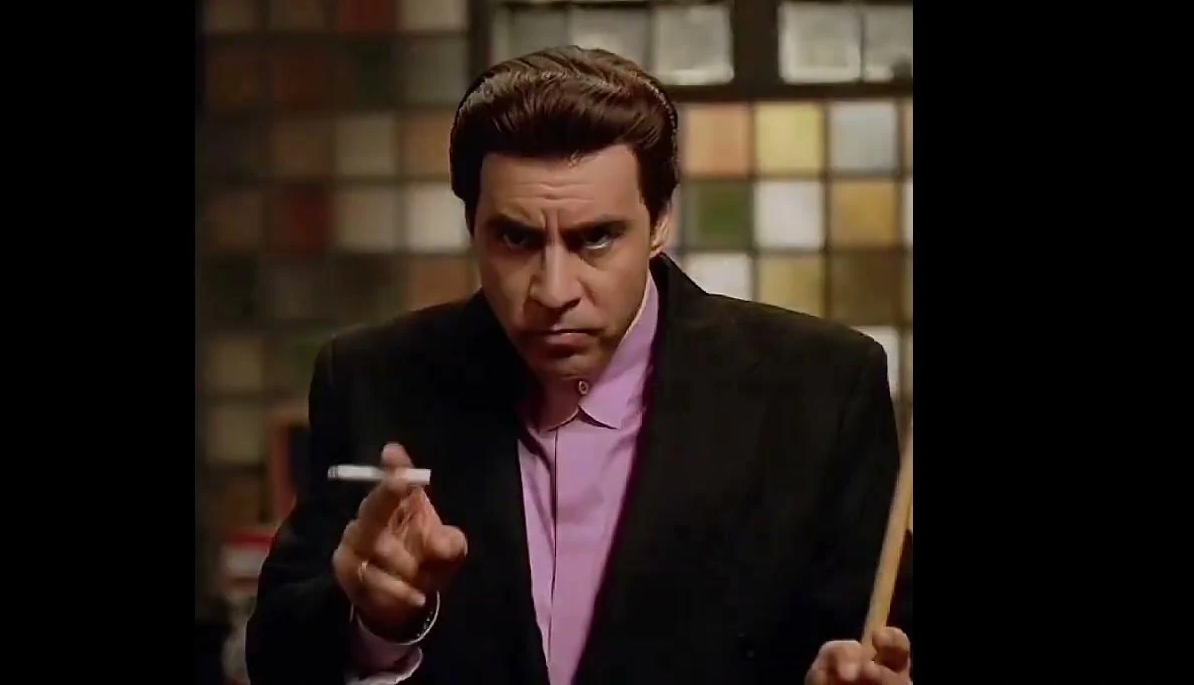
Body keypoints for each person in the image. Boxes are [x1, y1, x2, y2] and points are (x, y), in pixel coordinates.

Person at [245, 46, 914, 685]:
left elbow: (879, 640)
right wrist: (376, 623)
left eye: (595, 238)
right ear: (472, 224)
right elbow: (274, 656)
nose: (554, 290)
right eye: (516, 238)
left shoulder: (822, 389)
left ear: (660, 221)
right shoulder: (375, 378)